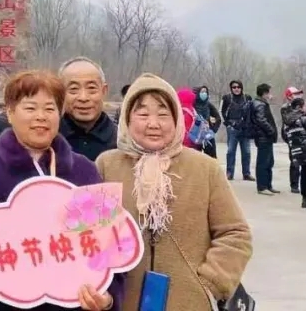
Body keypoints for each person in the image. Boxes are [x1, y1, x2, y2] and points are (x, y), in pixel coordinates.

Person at [0, 70, 124, 311]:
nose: (41, 117)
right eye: (30, 108)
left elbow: (109, 247)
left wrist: (107, 297)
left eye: (50, 109)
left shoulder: (83, 170)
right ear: (10, 113)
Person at [96, 74, 252, 310]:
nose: (153, 123)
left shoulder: (205, 168)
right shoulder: (106, 165)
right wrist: (102, 290)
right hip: (123, 301)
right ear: (127, 117)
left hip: (189, 302)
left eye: (163, 114)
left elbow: (235, 233)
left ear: (177, 118)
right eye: (143, 114)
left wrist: (210, 284)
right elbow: (89, 235)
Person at [57, 57, 118, 161]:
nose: (83, 98)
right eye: (74, 89)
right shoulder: (49, 138)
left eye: (91, 89)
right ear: (60, 93)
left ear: (104, 91)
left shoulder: (121, 141)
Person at [249, 83, 280, 195]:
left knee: (269, 161)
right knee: (263, 162)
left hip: (266, 137)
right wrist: (270, 130)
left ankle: (268, 185)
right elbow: (261, 120)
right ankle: (262, 187)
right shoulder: (260, 104)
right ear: (264, 93)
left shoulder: (262, 103)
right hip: (263, 137)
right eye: (269, 93)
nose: (270, 95)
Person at [220, 80, 254, 181]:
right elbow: (221, 111)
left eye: (238, 87)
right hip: (232, 128)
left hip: (245, 128)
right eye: (234, 87)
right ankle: (229, 173)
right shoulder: (226, 98)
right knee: (231, 151)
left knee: (246, 152)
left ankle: (246, 174)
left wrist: (250, 125)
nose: (236, 89)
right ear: (231, 88)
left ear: (241, 87)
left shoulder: (247, 98)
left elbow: (251, 112)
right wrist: (228, 124)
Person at [280, 86, 305, 194]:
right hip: (292, 136)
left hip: (304, 136)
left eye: (299, 93)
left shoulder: (304, 105)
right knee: (295, 160)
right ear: (289, 97)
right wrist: (300, 111)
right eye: (295, 94)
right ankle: (294, 185)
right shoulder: (285, 107)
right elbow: (288, 120)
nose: (298, 95)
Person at [193, 85, 222, 158]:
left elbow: (218, 118)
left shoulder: (208, 105)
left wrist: (213, 130)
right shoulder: (193, 104)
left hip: (207, 134)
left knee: (211, 156)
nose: (204, 93)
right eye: (202, 92)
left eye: (206, 92)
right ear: (198, 93)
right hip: (196, 134)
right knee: (196, 156)